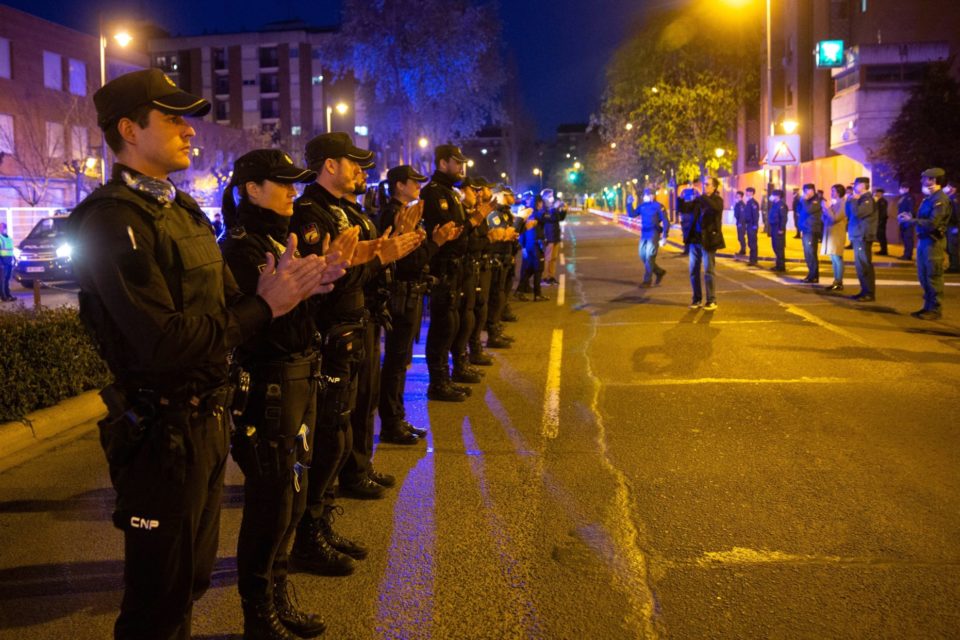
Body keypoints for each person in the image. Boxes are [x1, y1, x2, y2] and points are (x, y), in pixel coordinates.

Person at [68, 68, 330, 640]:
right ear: (129, 129)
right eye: (173, 117)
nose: (189, 130)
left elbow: (224, 304)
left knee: (190, 581)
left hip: (205, 424)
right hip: (163, 432)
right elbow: (161, 342)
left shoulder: (179, 211)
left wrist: (297, 286)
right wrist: (265, 306)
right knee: (156, 603)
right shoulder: (116, 220)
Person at [219, 149, 344, 640]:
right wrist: (300, 288)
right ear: (252, 188)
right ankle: (258, 611)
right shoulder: (242, 246)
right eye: (283, 183)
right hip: (270, 381)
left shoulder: (277, 235)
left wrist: (329, 274)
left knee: (292, 495)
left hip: (300, 373)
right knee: (270, 501)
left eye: (296, 183)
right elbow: (257, 320)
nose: (294, 191)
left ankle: (279, 591)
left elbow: (297, 307)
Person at [288, 132, 420, 574]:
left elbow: (359, 268)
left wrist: (384, 253)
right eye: (353, 163)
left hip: (357, 324)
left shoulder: (344, 211)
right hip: (330, 333)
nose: (361, 171)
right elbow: (322, 285)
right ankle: (309, 534)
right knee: (327, 437)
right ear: (329, 165)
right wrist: (378, 257)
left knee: (345, 425)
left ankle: (321, 523)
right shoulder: (310, 215)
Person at [378, 165, 461, 427]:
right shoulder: (393, 214)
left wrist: (433, 241)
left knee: (401, 361)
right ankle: (392, 420)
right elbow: (408, 262)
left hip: (410, 294)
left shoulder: (406, 213)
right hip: (400, 294)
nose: (418, 186)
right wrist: (435, 242)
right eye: (413, 182)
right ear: (399, 185)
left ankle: (398, 417)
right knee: (396, 361)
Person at [421, 144, 471, 401]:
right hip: (441, 267)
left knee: (451, 324)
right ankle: (438, 383)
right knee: (442, 326)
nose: (461, 167)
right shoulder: (432, 192)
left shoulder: (450, 193)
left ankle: (446, 378)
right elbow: (443, 230)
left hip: (454, 267)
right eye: (456, 162)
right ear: (442, 163)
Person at [903, 168, 952, 320]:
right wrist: (911, 218)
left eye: (927, 179)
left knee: (933, 275)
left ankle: (935, 309)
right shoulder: (929, 198)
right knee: (923, 275)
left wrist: (911, 221)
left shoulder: (940, 200)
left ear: (935, 180)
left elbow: (933, 223)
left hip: (933, 241)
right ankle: (927, 307)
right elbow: (923, 218)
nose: (923, 181)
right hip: (924, 240)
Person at [485, 187, 519, 349]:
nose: (512, 197)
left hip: (506, 257)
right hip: (497, 258)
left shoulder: (506, 213)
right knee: (495, 297)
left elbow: (511, 233)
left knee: (501, 295)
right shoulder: (494, 214)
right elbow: (501, 234)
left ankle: (496, 328)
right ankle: (492, 332)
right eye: (508, 195)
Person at [686, 177, 724, 310]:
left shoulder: (717, 200)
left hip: (708, 240)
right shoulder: (699, 200)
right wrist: (681, 198)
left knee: (708, 270)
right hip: (695, 239)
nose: (705, 187)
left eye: (707, 185)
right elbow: (686, 208)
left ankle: (711, 300)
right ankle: (696, 299)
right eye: (704, 185)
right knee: (693, 270)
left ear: (714, 187)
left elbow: (714, 208)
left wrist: (700, 196)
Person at [630, 187, 670, 286]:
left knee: (649, 257)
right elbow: (632, 214)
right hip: (644, 233)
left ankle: (647, 280)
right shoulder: (642, 206)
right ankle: (659, 272)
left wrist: (664, 236)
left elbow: (665, 221)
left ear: (652, 196)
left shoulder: (659, 206)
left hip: (654, 233)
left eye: (647, 194)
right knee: (642, 255)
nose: (645, 196)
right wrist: (629, 204)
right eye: (645, 194)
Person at [846, 176, 877, 301]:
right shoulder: (859, 199)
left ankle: (869, 292)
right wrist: (850, 201)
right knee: (860, 265)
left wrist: (853, 201)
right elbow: (849, 214)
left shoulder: (867, 200)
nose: (854, 187)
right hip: (857, 234)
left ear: (863, 185)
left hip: (863, 235)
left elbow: (858, 213)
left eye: (856, 185)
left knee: (864, 265)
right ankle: (864, 290)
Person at [516, 195, 548, 301]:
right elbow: (549, 218)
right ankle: (537, 294)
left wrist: (524, 246)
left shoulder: (529, 214)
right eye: (542, 202)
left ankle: (519, 291)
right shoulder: (538, 214)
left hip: (530, 245)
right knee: (538, 269)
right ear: (539, 203)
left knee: (530, 269)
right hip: (536, 245)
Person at [821, 184, 847, 292]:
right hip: (830, 233)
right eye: (831, 191)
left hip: (837, 234)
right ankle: (835, 281)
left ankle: (839, 282)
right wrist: (825, 210)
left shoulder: (843, 203)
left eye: (834, 191)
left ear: (839, 192)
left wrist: (827, 208)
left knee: (837, 258)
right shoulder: (835, 203)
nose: (832, 193)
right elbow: (825, 218)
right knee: (833, 258)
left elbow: (835, 218)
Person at [797, 183, 823, 283]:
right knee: (808, 253)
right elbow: (799, 210)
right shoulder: (806, 201)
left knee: (811, 253)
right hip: (806, 229)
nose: (807, 193)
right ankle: (811, 274)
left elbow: (809, 210)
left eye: (809, 191)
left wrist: (803, 200)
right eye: (806, 191)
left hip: (812, 229)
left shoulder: (816, 201)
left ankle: (814, 276)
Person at [541, 190, 566, 284]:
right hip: (548, 236)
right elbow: (550, 218)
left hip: (555, 235)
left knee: (554, 258)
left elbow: (559, 218)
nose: (552, 198)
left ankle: (551, 276)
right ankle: (544, 277)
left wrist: (563, 210)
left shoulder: (551, 208)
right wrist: (555, 208)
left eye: (552, 196)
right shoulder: (543, 208)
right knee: (547, 258)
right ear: (544, 197)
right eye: (549, 196)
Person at [767, 189, 788, 273]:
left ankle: (781, 266)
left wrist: (781, 229)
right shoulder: (775, 204)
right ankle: (778, 264)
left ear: (777, 196)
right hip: (773, 228)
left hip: (778, 228)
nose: (771, 196)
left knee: (779, 247)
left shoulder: (782, 205)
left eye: (773, 195)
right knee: (775, 246)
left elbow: (783, 218)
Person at [677, 180, 699, 256]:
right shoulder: (684, 192)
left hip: (691, 216)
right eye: (688, 184)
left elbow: (699, 203)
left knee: (691, 234)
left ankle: (690, 250)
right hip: (686, 216)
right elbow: (679, 202)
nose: (689, 186)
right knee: (686, 234)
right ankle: (687, 249)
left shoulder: (695, 192)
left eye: (690, 184)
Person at [945, 181, 960, 273]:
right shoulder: (950, 198)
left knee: (952, 247)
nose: (947, 188)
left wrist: (957, 227)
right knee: (948, 247)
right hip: (949, 226)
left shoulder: (954, 199)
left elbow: (957, 214)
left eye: (949, 186)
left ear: (953, 188)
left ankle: (955, 266)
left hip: (953, 226)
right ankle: (953, 265)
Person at [897, 184, 915, 261]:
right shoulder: (903, 197)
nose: (900, 190)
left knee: (908, 238)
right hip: (902, 220)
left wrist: (907, 218)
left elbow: (910, 209)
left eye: (902, 188)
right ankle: (906, 253)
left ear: (907, 188)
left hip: (907, 221)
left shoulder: (909, 197)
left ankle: (908, 255)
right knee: (904, 238)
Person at [744, 187, 760, 266]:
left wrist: (755, 225)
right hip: (749, 225)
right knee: (750, 242)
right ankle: (752, 259)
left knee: (752, 242)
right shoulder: (749, 202)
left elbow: (755, 215)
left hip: (752, 225)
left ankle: (753, 259)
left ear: (751, 193)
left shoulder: (753, 203)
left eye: (748, 192)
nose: (746, 193)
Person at [0, 222, 14, 301]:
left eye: (2, 227)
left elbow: (10, 250)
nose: (1, 229)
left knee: (7, 279)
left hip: (9, 261)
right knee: (2, 280)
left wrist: (14, 259)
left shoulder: (9, 238)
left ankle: (8, 295)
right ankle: (3, 296)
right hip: (2, 262)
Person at [874, 188, 889, 256]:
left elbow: (883, 213)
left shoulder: (882, 201)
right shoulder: (879, 200)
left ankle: (884, 250)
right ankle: (883, 250)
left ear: (881, 193)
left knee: (881, 236)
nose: (876, 194)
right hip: (879, 220)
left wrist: (880, 221)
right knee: (880, 236)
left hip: (881, 221)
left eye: (877, 192)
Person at [733, 191, 746, 256]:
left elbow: (742, 215)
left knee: (741, 237)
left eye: (737, 195)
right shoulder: (738, 203)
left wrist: (740, 223)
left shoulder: (741, 204)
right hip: (739, 222)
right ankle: (742, 249)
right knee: (740, 237)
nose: (736, 196)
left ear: (740, 196)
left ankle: (743, 250)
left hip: (741, 223)